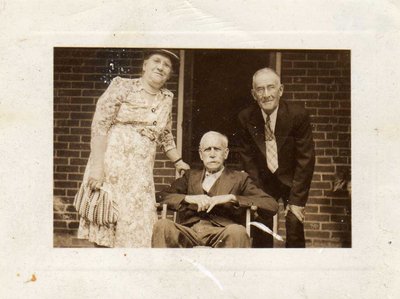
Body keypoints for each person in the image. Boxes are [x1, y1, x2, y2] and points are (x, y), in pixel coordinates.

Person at [77, 49, 190, 247]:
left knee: (139, 230)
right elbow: (100, 126)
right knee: (108, 220)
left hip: (140, 175)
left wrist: (178, 161)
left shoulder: (166, 98)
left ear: (170, 74)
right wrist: (97, 168)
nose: (161, 67)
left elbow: (165, 134)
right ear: (145, 65)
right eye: (157, 61)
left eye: (167, 65)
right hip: (112, 168)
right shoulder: (122, 86)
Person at [152, 131, 278, 248]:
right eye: (207, 150)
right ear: (201, 155)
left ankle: (233, 273)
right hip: (189, 232)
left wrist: (232, 198)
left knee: (237, 231)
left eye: (217, 149)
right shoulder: (190, 176)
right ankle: (163, 272)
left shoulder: (239, 178)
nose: (212, 154)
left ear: (226, 153)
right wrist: (190, 198)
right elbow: (160, 197)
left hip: (222, 233)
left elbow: (271, 205)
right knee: (162, 225)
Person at [237, 68, 315, 248]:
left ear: (280, 90)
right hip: (263, 181)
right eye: (260, 89)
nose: (266, 94)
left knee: (294, 224)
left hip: (292, 178)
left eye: (271, 88)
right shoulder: (245, 118)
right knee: (261, 228)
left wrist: (296, 201)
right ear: (253, 94)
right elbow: (248, 160)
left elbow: (306, 159)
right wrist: (256, 195)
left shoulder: (297, 115)